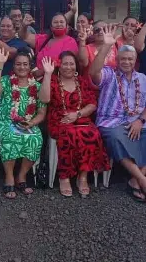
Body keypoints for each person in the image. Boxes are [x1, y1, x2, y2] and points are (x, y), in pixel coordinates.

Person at [89, 25, 146, 204]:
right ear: (117, 61)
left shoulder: (143, 79)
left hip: (138, 121)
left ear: (135, 61)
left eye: (130, 59)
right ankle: (143, 180)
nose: (126, 62)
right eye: (123, 59)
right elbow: (94, 72)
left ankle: (136, 179)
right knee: (116, 137)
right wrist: (106, 46)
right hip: (111, 122)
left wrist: (140, 121)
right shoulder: (109, 74)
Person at [41, 51, 110, 197]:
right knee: (69, 134)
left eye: (71, 63)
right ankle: (64, 177)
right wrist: (47, 74)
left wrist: (77, 114)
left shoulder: (82, 82)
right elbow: (45, 99)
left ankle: (82, 176)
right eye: (65, 63)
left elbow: (92, 104)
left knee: (93, 133)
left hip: (81, 118)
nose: (68, 67)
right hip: (60, 120)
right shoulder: (53, 80)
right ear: (59, 65)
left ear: (76, 66)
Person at [0, 49, 49, 199]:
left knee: (36, 138)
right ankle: (9, 176)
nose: (22, 67)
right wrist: (0, 64)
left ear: (30, 67)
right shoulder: (5, 80)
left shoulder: (36, 86)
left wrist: (31, 123)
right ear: (14, 66)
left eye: (25, 64)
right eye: (18, 64)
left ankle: (21, 176)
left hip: (27, 123)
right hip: (5, 122)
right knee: (11, 136)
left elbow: (42, 112)